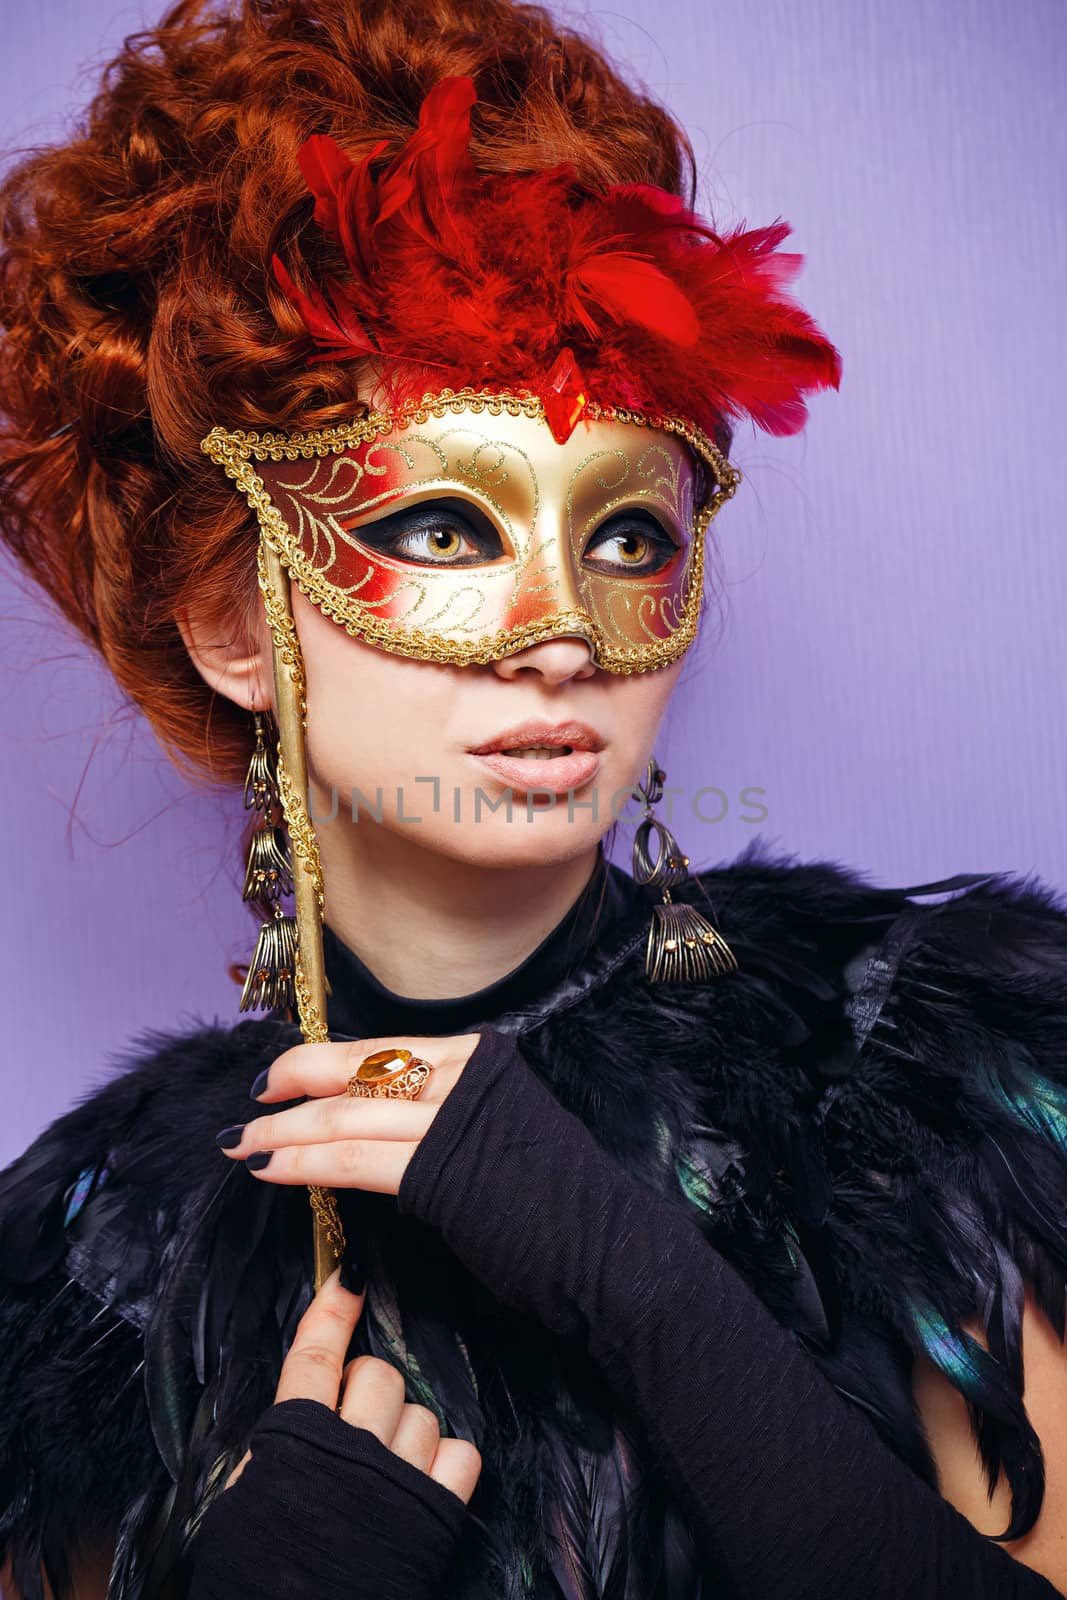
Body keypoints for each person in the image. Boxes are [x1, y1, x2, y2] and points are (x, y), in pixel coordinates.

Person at [1, 2, 1065, 1598]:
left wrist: (635, 1280)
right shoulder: (96, 1268)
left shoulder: (904, 1066)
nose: (561, 635)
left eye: (630, 536)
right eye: (441, 528)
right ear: (232, 623)